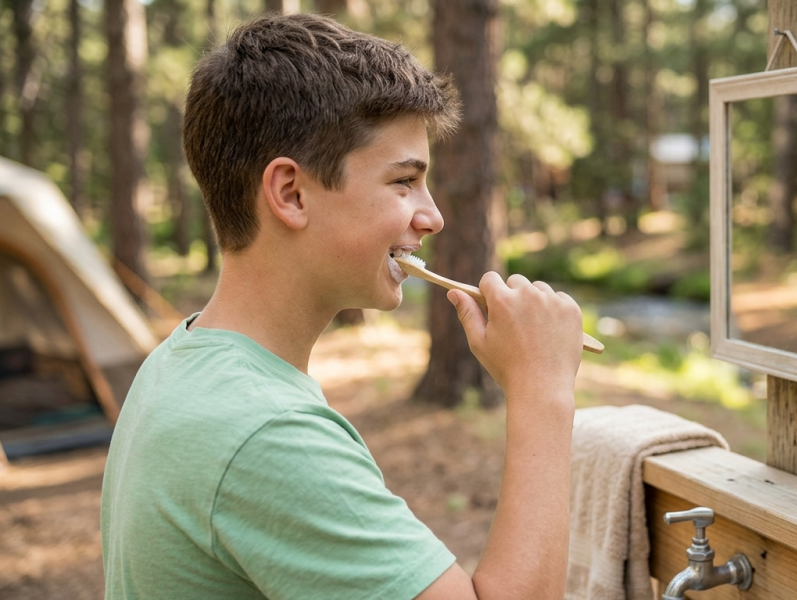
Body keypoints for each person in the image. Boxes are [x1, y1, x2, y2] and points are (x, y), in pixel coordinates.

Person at [99, 11, 583, 600]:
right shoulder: (265, 433)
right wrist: (543, 389)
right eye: (404, 181)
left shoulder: (182, 362)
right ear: (291, 193)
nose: (432, 216)